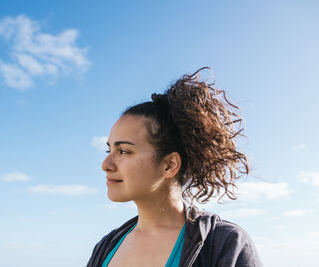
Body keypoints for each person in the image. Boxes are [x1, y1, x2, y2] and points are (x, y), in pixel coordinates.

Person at [87, 68, 263, 267]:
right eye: (108, 150)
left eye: (124, 151)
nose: (105, 165)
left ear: (170, 165)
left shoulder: (223, 244)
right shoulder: (106, 247)